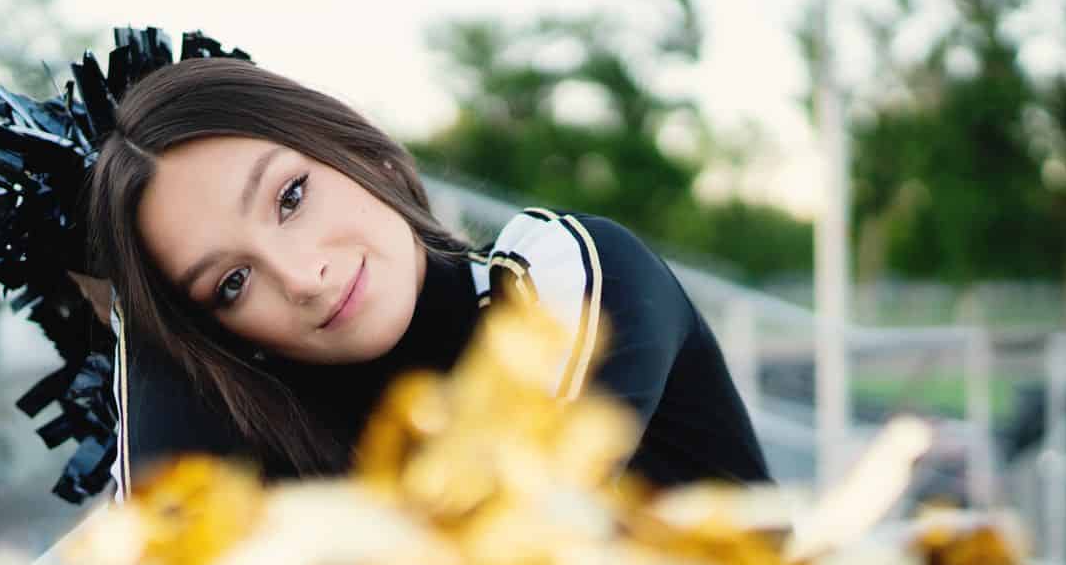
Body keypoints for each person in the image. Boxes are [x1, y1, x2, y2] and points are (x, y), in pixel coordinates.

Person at [81, 56, 770, 501]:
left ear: (360, 151)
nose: (301, 277)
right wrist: (151, 333)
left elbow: (495, 548)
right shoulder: (280, 424)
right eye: (231, 283)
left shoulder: (557, 270)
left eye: (291, 196)